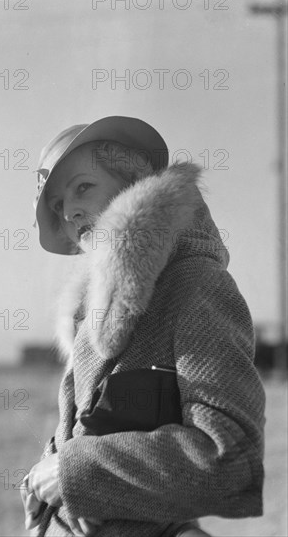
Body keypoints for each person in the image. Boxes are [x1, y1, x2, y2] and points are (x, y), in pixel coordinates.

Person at [20, 116, 266, 537]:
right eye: (59, 205)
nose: (71, 210)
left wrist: (76, 474)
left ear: (133, 185)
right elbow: (85, 431)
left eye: (83, 187)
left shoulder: (194, 285)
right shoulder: (89, 313)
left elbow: (232, 457)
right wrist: (43, 476)